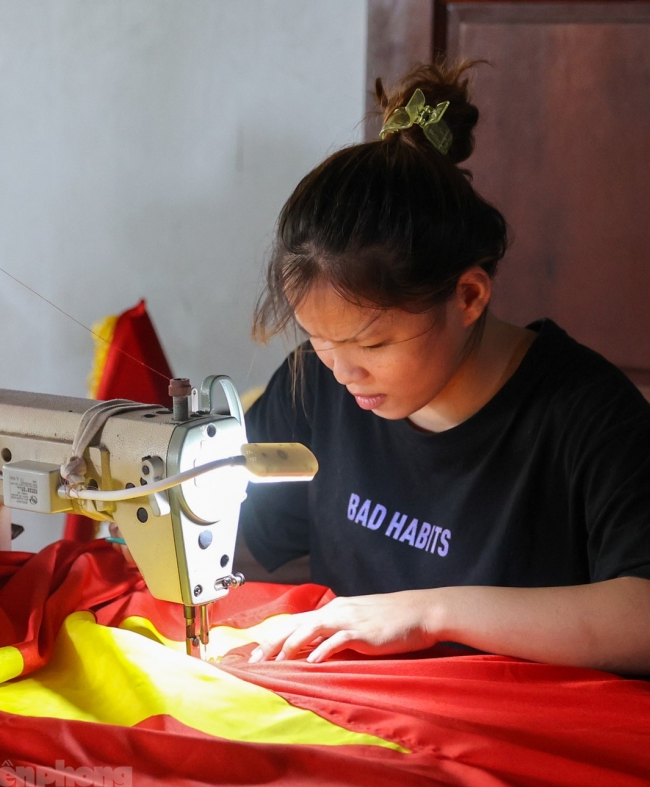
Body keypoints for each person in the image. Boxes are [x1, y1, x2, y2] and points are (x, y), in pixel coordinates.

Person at [236, 62, 650, 674]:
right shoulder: (317, 382)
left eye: (372, 345)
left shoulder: (587, 416)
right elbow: (244, 540)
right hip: (364, 724)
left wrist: (430, 615)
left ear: (468, 297)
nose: (344, 370)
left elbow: (642, 615)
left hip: (511, 734)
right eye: (319, 338)